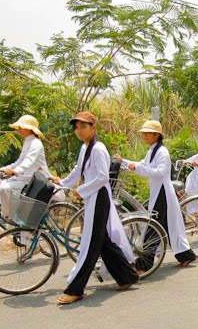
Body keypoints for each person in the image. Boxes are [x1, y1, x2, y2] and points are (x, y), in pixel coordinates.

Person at [50, 112, 139, 305]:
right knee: (102, 241)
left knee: (90, 243)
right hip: (93, 197)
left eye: (83, 126)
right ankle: (127, 276)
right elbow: (78, 169)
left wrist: (81, 191)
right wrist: (63, 182)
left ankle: (75, 289)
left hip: (98, 197)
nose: (79, 131)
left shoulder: (98, 148)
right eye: (76, 127)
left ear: (93, 128)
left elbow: (102, 177)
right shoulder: (85, 148)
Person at [117, 120, 197, 268]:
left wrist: (136, 168)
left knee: (153, 227)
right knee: (167, 227)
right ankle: (186, 256)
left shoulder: (162, 152)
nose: (144, 136)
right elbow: (143, 165)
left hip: (163, 193)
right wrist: (125, 163)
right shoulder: (152, 151)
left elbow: (159, 172)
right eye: (143, 133)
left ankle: (143, 265)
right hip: (158, 192)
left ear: (156, 135)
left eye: (147, 133)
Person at [0, 115, 49, 217]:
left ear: (29, 129)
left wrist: (16, 171)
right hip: (26, 178)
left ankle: (12, 217)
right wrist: (1, 170)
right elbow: (19, 161)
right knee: (1, 187)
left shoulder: (35, 143)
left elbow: (28, 161)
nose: (19, 129)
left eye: (21, 127)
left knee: (4, 189)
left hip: (35, 181)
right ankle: (12, 215)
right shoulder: (27, 142)